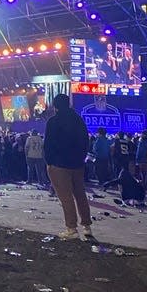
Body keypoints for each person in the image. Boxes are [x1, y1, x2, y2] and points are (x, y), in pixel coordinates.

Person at [43, 93, 93, 239]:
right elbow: (85, 141)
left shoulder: (53, 121)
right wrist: (81, 158)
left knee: (66, 197)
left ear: (55, 105)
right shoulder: (78, 120)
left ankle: (71, 229)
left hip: (59, 164)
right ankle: (87, 226)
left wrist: (49, 161)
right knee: (80, 194)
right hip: (77, 163)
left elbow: (48, 144)